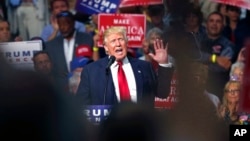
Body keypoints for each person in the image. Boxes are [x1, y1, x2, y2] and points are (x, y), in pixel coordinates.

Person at [76, 26, 173, 107]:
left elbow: (162, 93)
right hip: (107, 127)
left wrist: (164, 64)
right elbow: (81, 105)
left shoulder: (144, 67)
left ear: (126, 43)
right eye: (113, 41)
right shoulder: (91, 71)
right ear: (106, 47)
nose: (118, 44)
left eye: (121, 39)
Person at [45, 10, 93, 94]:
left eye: (66, 24)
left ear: (73, 23)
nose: (63, 27)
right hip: (60, 90)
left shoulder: (86, 39)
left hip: (82, 87)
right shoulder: (51, 45)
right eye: (60, 24)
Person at [199, 11, 234, 101]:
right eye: (211, 21)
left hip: (219, 87)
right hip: (199, 86)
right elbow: (193, 55)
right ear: (206, 24)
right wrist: (215, 58)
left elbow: (223, 66)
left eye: (218, 21)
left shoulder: (227, 44)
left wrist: (204, 63)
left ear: (222, 25)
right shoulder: (198, 40)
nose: (214, 24)